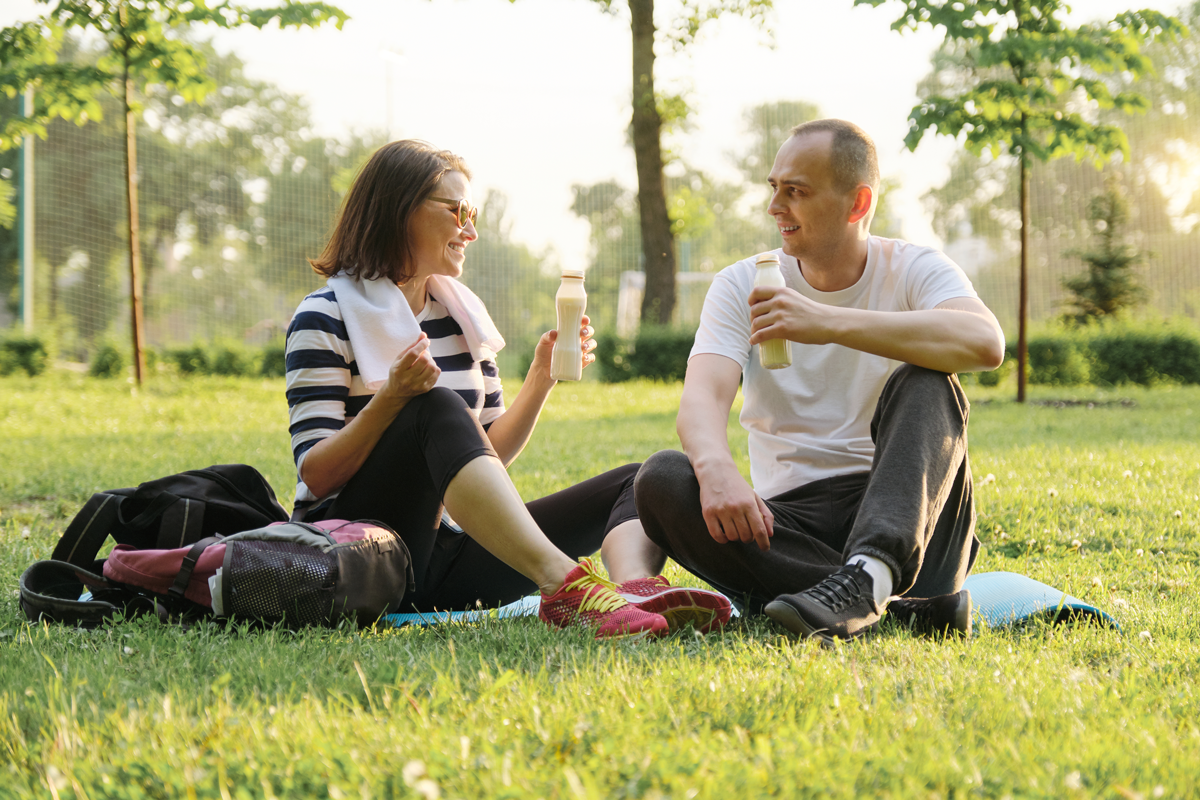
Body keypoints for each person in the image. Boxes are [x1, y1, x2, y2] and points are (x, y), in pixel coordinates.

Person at [285, 139, 730, 639]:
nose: (470, 229)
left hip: (441, 556)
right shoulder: (324, 315)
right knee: (434, 404)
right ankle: (566, 586)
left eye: (471, 212)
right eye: (458, 211)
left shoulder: (460, 317)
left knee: (636, 481)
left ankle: (633, 594)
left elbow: (483, 454)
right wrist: (391, 400)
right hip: (355, 554)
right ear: (399, 209)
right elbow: (317, 476)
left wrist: (541, 379)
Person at [633, 119, 1006, 642]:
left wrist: (824, 321)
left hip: (907, 510)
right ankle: (894, 602)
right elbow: (703, 396)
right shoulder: (742, 282)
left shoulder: (916, 268)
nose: (774, 208)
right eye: (774, 189)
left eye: (796, 192)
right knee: (663, 479)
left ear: (857, 204)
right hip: (789, 522)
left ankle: (871, 574)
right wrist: (716, 468)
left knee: (929, 380)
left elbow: (984, 343)